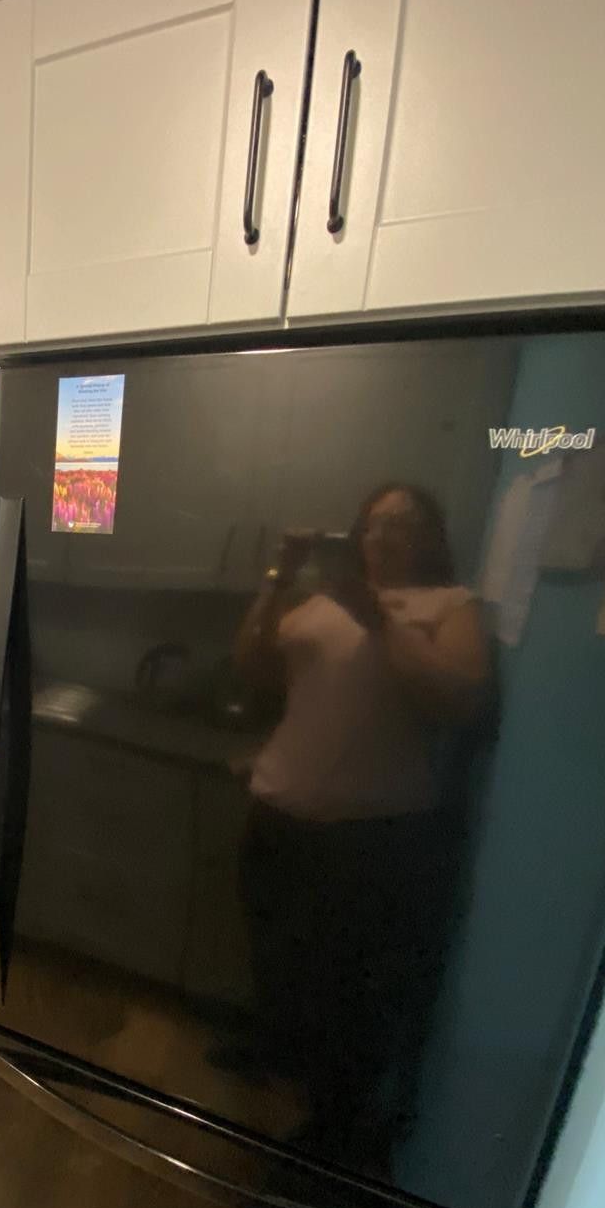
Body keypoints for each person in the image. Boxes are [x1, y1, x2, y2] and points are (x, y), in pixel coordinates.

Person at [230, 485, 491, 1169]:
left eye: (403, 524)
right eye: (374, 525)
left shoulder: (450, 607)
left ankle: (328, 1136)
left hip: (368, 839)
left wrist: (377, 617)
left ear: (431, 537)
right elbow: (254, 664)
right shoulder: (323, 602)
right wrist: (280, 575)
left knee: (344, 991)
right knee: (276, 959)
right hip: (278, 817)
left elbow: (461, 700)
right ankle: (277, 1061)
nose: (384, 536)